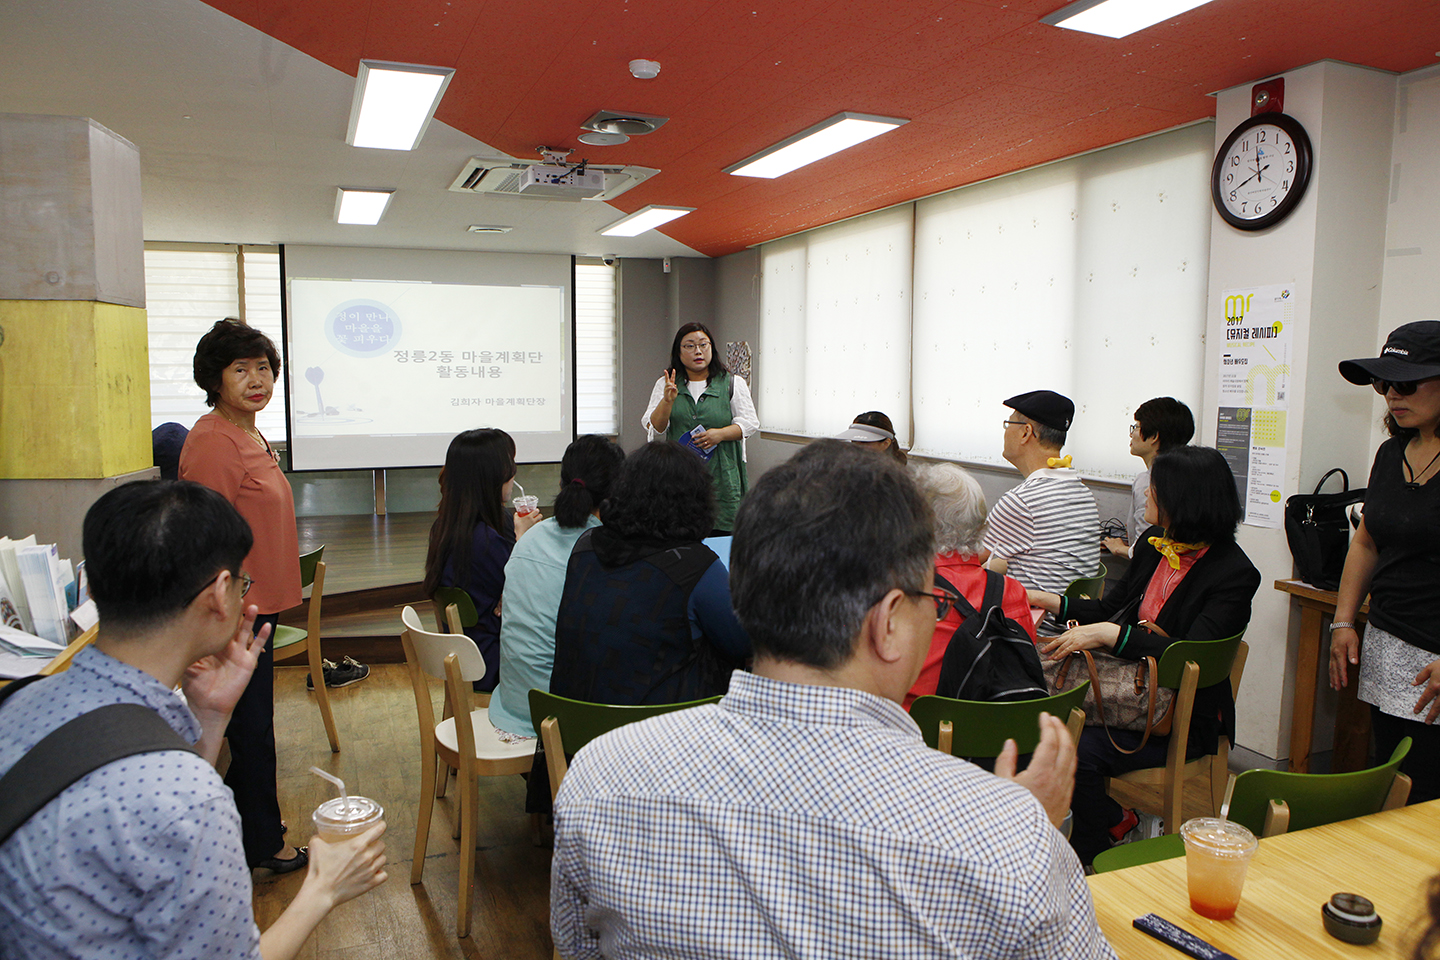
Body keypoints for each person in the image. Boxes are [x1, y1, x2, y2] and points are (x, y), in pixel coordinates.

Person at [551, 440, 1115, 959]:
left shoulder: (597, 776)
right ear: (889, 622)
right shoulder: (1002, 838)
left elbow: (578, 949)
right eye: (930, 600)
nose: (935, 613)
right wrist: (1031, 837)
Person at [0, 480, 387, 960]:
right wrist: (323, 889)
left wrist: (209, 717)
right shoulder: (189, 800)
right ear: (220, 593)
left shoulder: (20, 701)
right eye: (243, 582)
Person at [180, 318, 363, 876]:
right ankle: (263, 844)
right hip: (235, 612)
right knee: (250, 728)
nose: (257, 379)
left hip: (260, 604)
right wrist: (225, 610)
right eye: (242, 370)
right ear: (215, 379)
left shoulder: (249, 432)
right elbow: (206, 540)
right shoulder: (212, 439)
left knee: (253, 725)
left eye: (264, 368)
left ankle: (249, 826)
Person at [1028, 445, 1259, 866]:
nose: (1146, 494)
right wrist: (1048, 600)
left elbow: (1188, 654)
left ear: (1183, 499)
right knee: (1046, 725)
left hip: (1179, 716)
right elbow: (1106, 609)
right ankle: (1116, 821)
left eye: (1155, 488)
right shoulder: (1155, 547)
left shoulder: (1234, 573)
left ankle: (1097, 860)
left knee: (1072, 749)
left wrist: (1111, 634)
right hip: (1125, 696)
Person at [548, 441, 750, 706]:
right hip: (658, 738)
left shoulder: (586, 547)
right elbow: (745, 643)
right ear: (696, 501)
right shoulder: (695, 566)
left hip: (575, 732)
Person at [1331, 321, 1440, 804]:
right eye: (1385, 384)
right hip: (1389, 647)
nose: (1392, 394)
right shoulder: (1391, 453)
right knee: (1395, 786)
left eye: (1407, 383)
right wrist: (1342, 622)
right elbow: (1366, 543)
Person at [487, 435, 625, 740]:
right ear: (617, 493)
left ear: (563, 485)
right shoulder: (605, 551)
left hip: (514, 703)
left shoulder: (530, 538)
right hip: (563, 714)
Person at [906, 461, 1038, 709]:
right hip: (999, 736)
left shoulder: (904, 592)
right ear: (980, 524)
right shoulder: (1013, 591)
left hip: (917, 734)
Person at [422, 427, 542, 694]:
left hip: (466, 655)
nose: (513, 474)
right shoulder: (485, 541)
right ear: (491, 476)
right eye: (509, 466)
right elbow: (531, 595)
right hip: (493, 661)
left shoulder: (446, 526)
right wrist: (522, 540)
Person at [984, 390, 1101, 634]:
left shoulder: (1023, 500)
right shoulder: (1080, 490)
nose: (1005, 431)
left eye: (1009, 423)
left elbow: (967, 559)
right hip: (1067, 626)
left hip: (1029, 633)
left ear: (1026, 432)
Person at [643, 322, 760, 533]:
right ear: (678, 352)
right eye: (689, 346)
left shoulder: (732, 383)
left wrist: (721, 434)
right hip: (679, 475)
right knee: (680, 531)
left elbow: (750, 423)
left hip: (723, 474)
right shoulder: (666, 383)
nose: (698, 351)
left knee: (722, 532)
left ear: (711, 349)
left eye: (703, 345)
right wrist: (667, 401)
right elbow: (656, 427)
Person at [1102, 397, 1195, 558]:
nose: (1131, 434)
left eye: (1136, 427)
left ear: (1154, 437)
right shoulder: (1190, 475)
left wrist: (1118, 548)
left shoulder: (1147, 482)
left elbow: (1149, 549)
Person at [836, 410, 908, 464]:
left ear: (885, 443)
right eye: (854, 441)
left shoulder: (894, 476)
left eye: (864, 442)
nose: (857, 447)